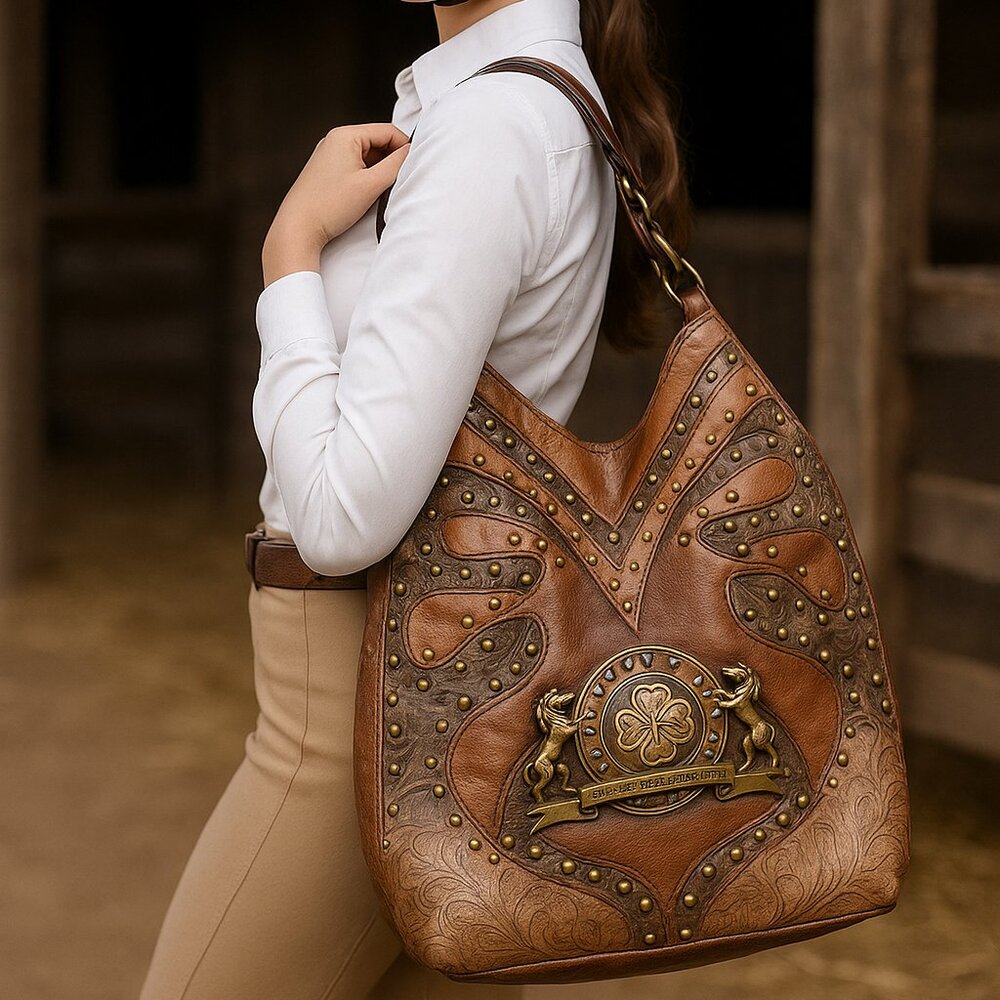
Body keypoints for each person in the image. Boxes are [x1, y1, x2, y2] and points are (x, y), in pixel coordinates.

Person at [138, 1, 691, 997]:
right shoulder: (512, 111)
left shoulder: (491, 130)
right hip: (445, 694)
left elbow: (344, 518)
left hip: (358, 721)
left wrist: (290, 256)